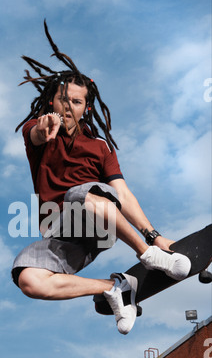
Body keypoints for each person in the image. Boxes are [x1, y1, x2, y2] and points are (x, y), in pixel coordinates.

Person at [11, 21, 191, 335]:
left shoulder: (100, 147)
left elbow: (123, 194)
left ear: (86, 108)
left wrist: (154, 237)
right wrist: (44, 126)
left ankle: (149, 256)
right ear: (52, 101)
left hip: (98, 224)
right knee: (29, 279)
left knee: (80, 193)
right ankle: (116, 288)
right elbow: (38, 133)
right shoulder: (36, 131)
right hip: (61, 234)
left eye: (76, 102)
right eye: (62, 100)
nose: (67, 107)